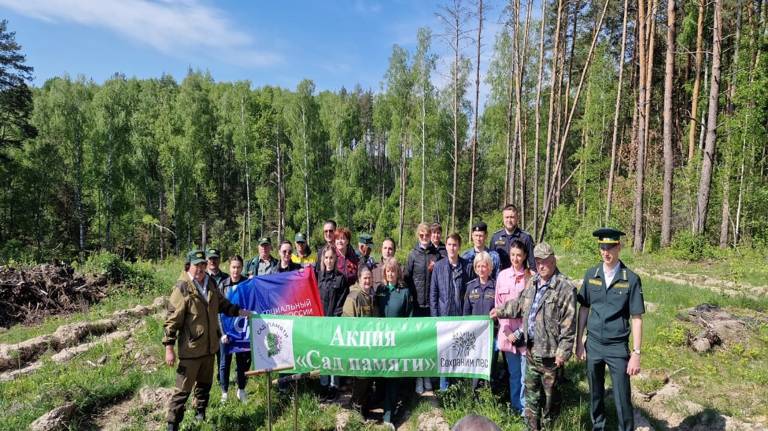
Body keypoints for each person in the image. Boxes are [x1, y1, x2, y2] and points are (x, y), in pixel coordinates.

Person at [490, 242, 577, 431]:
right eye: (538, 261)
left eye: (545, 261)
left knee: (549, 402)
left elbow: (569, 326)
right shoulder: (533, 281)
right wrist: (500, 311)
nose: (541, 265)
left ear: (553, 261)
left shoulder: (565, 287)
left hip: (550, 356)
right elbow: (519, 304)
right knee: (531, 399)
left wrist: (563, 352)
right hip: (530, 352)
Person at [163, 250, 251, 431]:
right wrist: (169, 347)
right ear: (189, 266)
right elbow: (172, 320)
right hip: (191, 351)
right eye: (197, 265)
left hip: (210, 348)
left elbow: (222, 303)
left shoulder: (209, 283)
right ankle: (172, 425)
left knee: (204, 386)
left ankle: (200, 416)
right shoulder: (182, 287)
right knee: (182, 391)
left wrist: (238, 311)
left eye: (203, 265)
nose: (201, 268)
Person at [576, 228, 645, 431]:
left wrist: (636, 353)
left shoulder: (630, 279)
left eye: (610, 247)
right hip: (594, 344)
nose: (606, 252)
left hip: (617, 347)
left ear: (619, 247)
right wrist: (579, 342)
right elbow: (584, 309)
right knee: (595, 394)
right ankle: (599, 427)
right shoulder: (591, 275)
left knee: (622, 397)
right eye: (602, 247)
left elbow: (637, 318)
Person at [374, 258, 413, 427]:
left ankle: (388, 417)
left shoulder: (405, 292)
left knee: (393, 379)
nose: (390, 274)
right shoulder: (380, 290)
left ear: (398, 273)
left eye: (393, 271)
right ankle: (380, 408)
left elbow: (410, 317)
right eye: (388, 271)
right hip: (380, 342)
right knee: (381, 379)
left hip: (397, 343)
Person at [495, 240, 532, 415]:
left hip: (526, 336)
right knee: (514, 375)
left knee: (526, 377)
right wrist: (507, 331)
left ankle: (526, 412)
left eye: (519, 255)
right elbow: (498, 305)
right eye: (512, 255)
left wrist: (522, 331)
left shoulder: (531, 277)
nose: (515, 258)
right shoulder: (502, 276)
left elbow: (533, 309)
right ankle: (516, 408)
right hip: (508, 335)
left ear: (525, 256)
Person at [429, 232, 469, 390]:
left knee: (460, 354)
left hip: (461, 318)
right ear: (445, 246)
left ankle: (458, 388)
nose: (452, 248)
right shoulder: (439, 267)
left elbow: (469, 291)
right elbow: (433, 294)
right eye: (449, 245)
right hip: (444, 318)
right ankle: (444, 390)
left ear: (459, 247)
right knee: (444, 355)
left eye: (455, 245)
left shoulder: (466, 266)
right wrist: (435, 318)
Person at [405, 222, 440, 394]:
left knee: (430, 343)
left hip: (431, 305)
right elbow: (406, 278)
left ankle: (428, 376)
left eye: (427, 234)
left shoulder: (436, 254)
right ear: (418, 236)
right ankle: (418, 377)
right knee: (419, 343)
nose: (425, 238)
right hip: (417, 305)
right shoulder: (412, 254)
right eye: (422, 235)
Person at [342, 266, 378, 414]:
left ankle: (364, 406)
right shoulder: (354, 296)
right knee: (360, 378)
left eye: (369, 277)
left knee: (368, 379)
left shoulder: (371, 295)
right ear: (359, 279)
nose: (368, 280)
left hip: (371, 346)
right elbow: (347, 323)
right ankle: (356, 407)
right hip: (358, 346)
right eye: (365, 278)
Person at [316, 246, 349, 400]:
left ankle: (334, 385)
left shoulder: (341, 279)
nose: (329, 261)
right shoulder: (317, 277)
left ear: (336, 259)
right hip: (320, 324)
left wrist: (335, 319)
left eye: (331, 258)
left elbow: (342, 301)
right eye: (326, 258)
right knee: (323, 355)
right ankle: (323, 385)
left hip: (334, 323)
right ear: (323, 259)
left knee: (334, 355)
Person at [217, 256, 251, 403]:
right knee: (225, 362)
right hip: (226, 331)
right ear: (229, 268)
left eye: (238, 267)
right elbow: (218, 311)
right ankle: (224, 392)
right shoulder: (223, 285)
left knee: (242, 362)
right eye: (233, 267)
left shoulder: (246, 284)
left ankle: (241, 390)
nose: (235, 270)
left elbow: (250, 306)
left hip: (242, 331)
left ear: (242, 268)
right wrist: (222, 333)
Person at [463, 251, 498, 390]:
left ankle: (489, 394)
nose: (481, 269)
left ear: (490, 267)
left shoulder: (496, 286)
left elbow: (500, 309)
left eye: (484, 266)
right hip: (475, 335)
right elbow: (466, 312)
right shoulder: (470, 287)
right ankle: (474, 393)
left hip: (492, 333)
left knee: (490, 365)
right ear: (475, 268)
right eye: (478, 266)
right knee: (476, 365)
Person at [490, 204, 536, 271]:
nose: (509, 220)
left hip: (520, 278)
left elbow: (533, 264)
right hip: (500, 278)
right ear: (503, 218)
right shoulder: (495, 237)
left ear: (517, 218)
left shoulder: (525, 237)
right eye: (507, 217)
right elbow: (491, 261)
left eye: (512, 217)